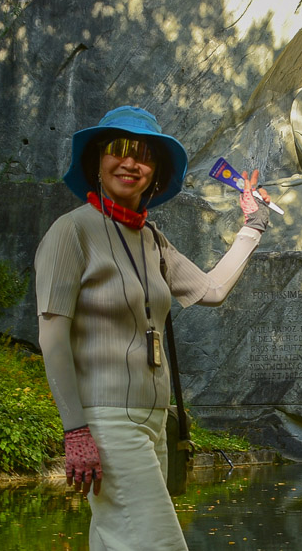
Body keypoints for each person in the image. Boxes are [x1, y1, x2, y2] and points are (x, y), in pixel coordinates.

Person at [35, 105, 271, 549]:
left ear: (156, 174)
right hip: (107, 421)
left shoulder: (152, 239)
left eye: (144, 155)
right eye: (119, 149)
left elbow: (211, 290)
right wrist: (75, 430)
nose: (131, 162)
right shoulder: (71, 231)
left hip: (155, 420)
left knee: (117, 542)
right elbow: (52, 339)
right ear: (97, 160)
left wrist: (252, 227)